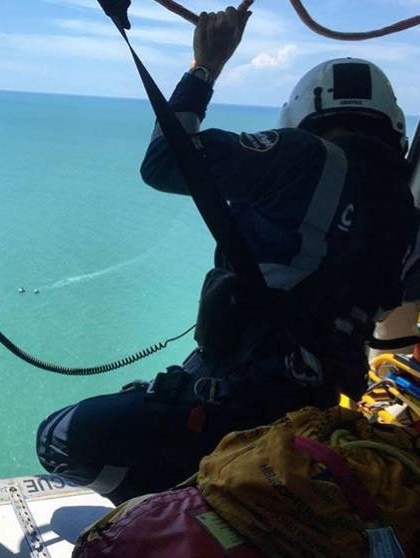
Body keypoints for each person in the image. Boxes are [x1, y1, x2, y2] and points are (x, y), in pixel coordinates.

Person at [36, 6, 417, 505]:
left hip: (234, 399)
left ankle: (171, 505)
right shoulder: (406, 213)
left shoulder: (302, 154)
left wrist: (205, 67)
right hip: (314, 411)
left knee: (58, 438)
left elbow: (165, 162)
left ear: (305, 112)